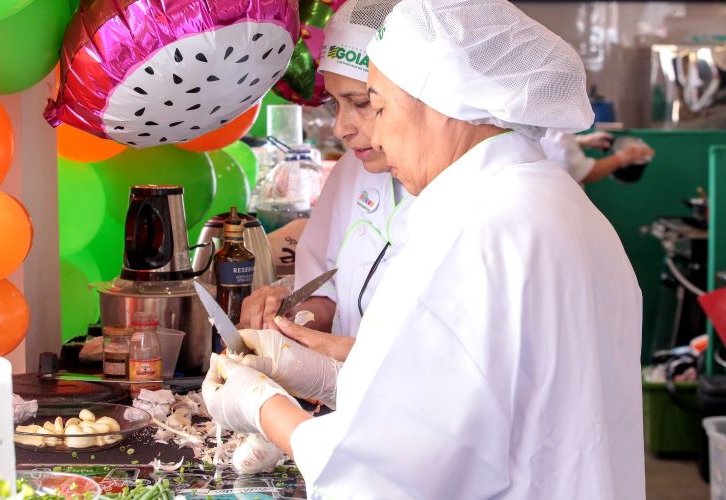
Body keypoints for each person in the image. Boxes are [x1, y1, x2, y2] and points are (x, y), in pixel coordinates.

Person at [204, 0, 645, 498]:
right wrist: (331, 375)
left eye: (377, 105)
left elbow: (380, 473)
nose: (374, 134)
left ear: (439, 102)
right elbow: (467, 396)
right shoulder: (558, 202)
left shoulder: (469, 230)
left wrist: (261, 405)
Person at [239, 0, 408, 361]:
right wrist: (289, 316)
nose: (340, 128)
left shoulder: (479, 195)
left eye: (361, 103)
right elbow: (326, 294)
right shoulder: (352, 170)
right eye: (335, 104)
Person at [541, 129, 655, 183]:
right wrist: (623, 158)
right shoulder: (554, 119)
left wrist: (579, 141)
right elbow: (582, 173)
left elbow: (549, 145)